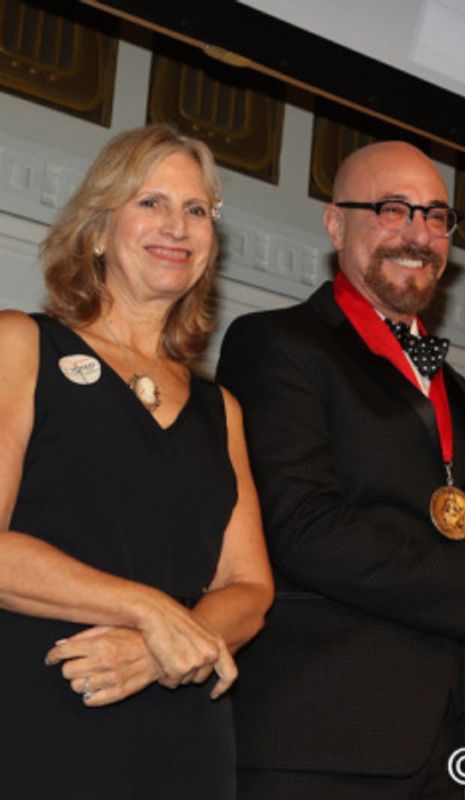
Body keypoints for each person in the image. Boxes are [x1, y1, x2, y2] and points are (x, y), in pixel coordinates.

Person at [217, 140, 465, 799]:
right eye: (393, 209)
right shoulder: (276, 345)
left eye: (436, 216)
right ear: (334, 223)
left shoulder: (452, 389)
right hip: (313, 746)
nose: (418, 234)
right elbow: (302, 526)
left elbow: (456, 549)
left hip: (439, 753)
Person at [0, 124, 274, 799]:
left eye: (196, 210)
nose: (175, 226)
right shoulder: (21, 346)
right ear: (96, 231)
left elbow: (250, 588)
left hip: (184, 726)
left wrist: (161, 649)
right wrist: (149, 611)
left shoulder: (223, 411)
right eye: (150, 202)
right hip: (42, 708)